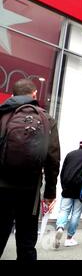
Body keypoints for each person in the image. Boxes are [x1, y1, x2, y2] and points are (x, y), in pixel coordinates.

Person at [0, 79, 60, 261]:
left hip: (1, 187)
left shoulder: (2, 116)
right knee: (26, 243)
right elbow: (52, 158)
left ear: (12, 95)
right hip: (30, 190)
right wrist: (50, 192)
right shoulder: (47, 119)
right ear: (34, 94)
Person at [54, 140, 82, 248]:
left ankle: (60, 227)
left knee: (64, 210)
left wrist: (64, 185)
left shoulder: (70, 154)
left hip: (67, 188)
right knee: (76, 213)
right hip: (81, 189)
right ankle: (69, 238)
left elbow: (63, 171)